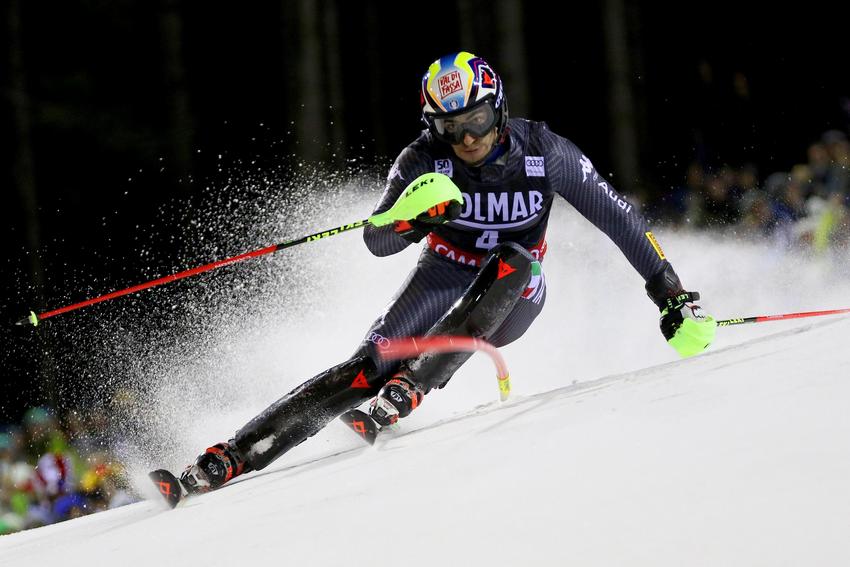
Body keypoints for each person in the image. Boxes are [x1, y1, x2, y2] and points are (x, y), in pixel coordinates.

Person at [175, 51, 717, 495]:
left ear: (497, 110)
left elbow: (618, 218)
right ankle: (235, 455)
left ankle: (417, 383)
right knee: (369, 364)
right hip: (445, 272)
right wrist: (412, 222)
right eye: (451, 128)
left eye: (477, 121)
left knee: (515, 261)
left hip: (516, 288)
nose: (468, 139)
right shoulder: (422, 159)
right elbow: (375, 239)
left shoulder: (544, 152)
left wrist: (667, 292)